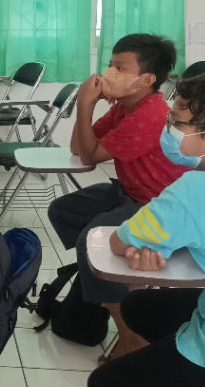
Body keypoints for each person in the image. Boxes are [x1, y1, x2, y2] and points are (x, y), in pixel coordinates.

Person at [47, 34, 190, 359]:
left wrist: (84, 103)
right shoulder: (125, 107)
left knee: (91, 241)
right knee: (63, 210)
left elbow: (89, 156)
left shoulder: (149, 115)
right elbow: (79, 148)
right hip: (130, 192)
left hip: (159, 204)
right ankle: (110, 277)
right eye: (110, 65)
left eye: (120, 67)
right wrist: (89, 108)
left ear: (146, 80)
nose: (108, 73)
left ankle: (130, 333)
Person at [88, 74, 205, 386]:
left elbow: (117, 243)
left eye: (177, 122)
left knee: (104, 381)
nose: (168, 129)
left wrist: (153, 244)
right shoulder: (122, 109)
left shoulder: (193, 190)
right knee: (139, 306)